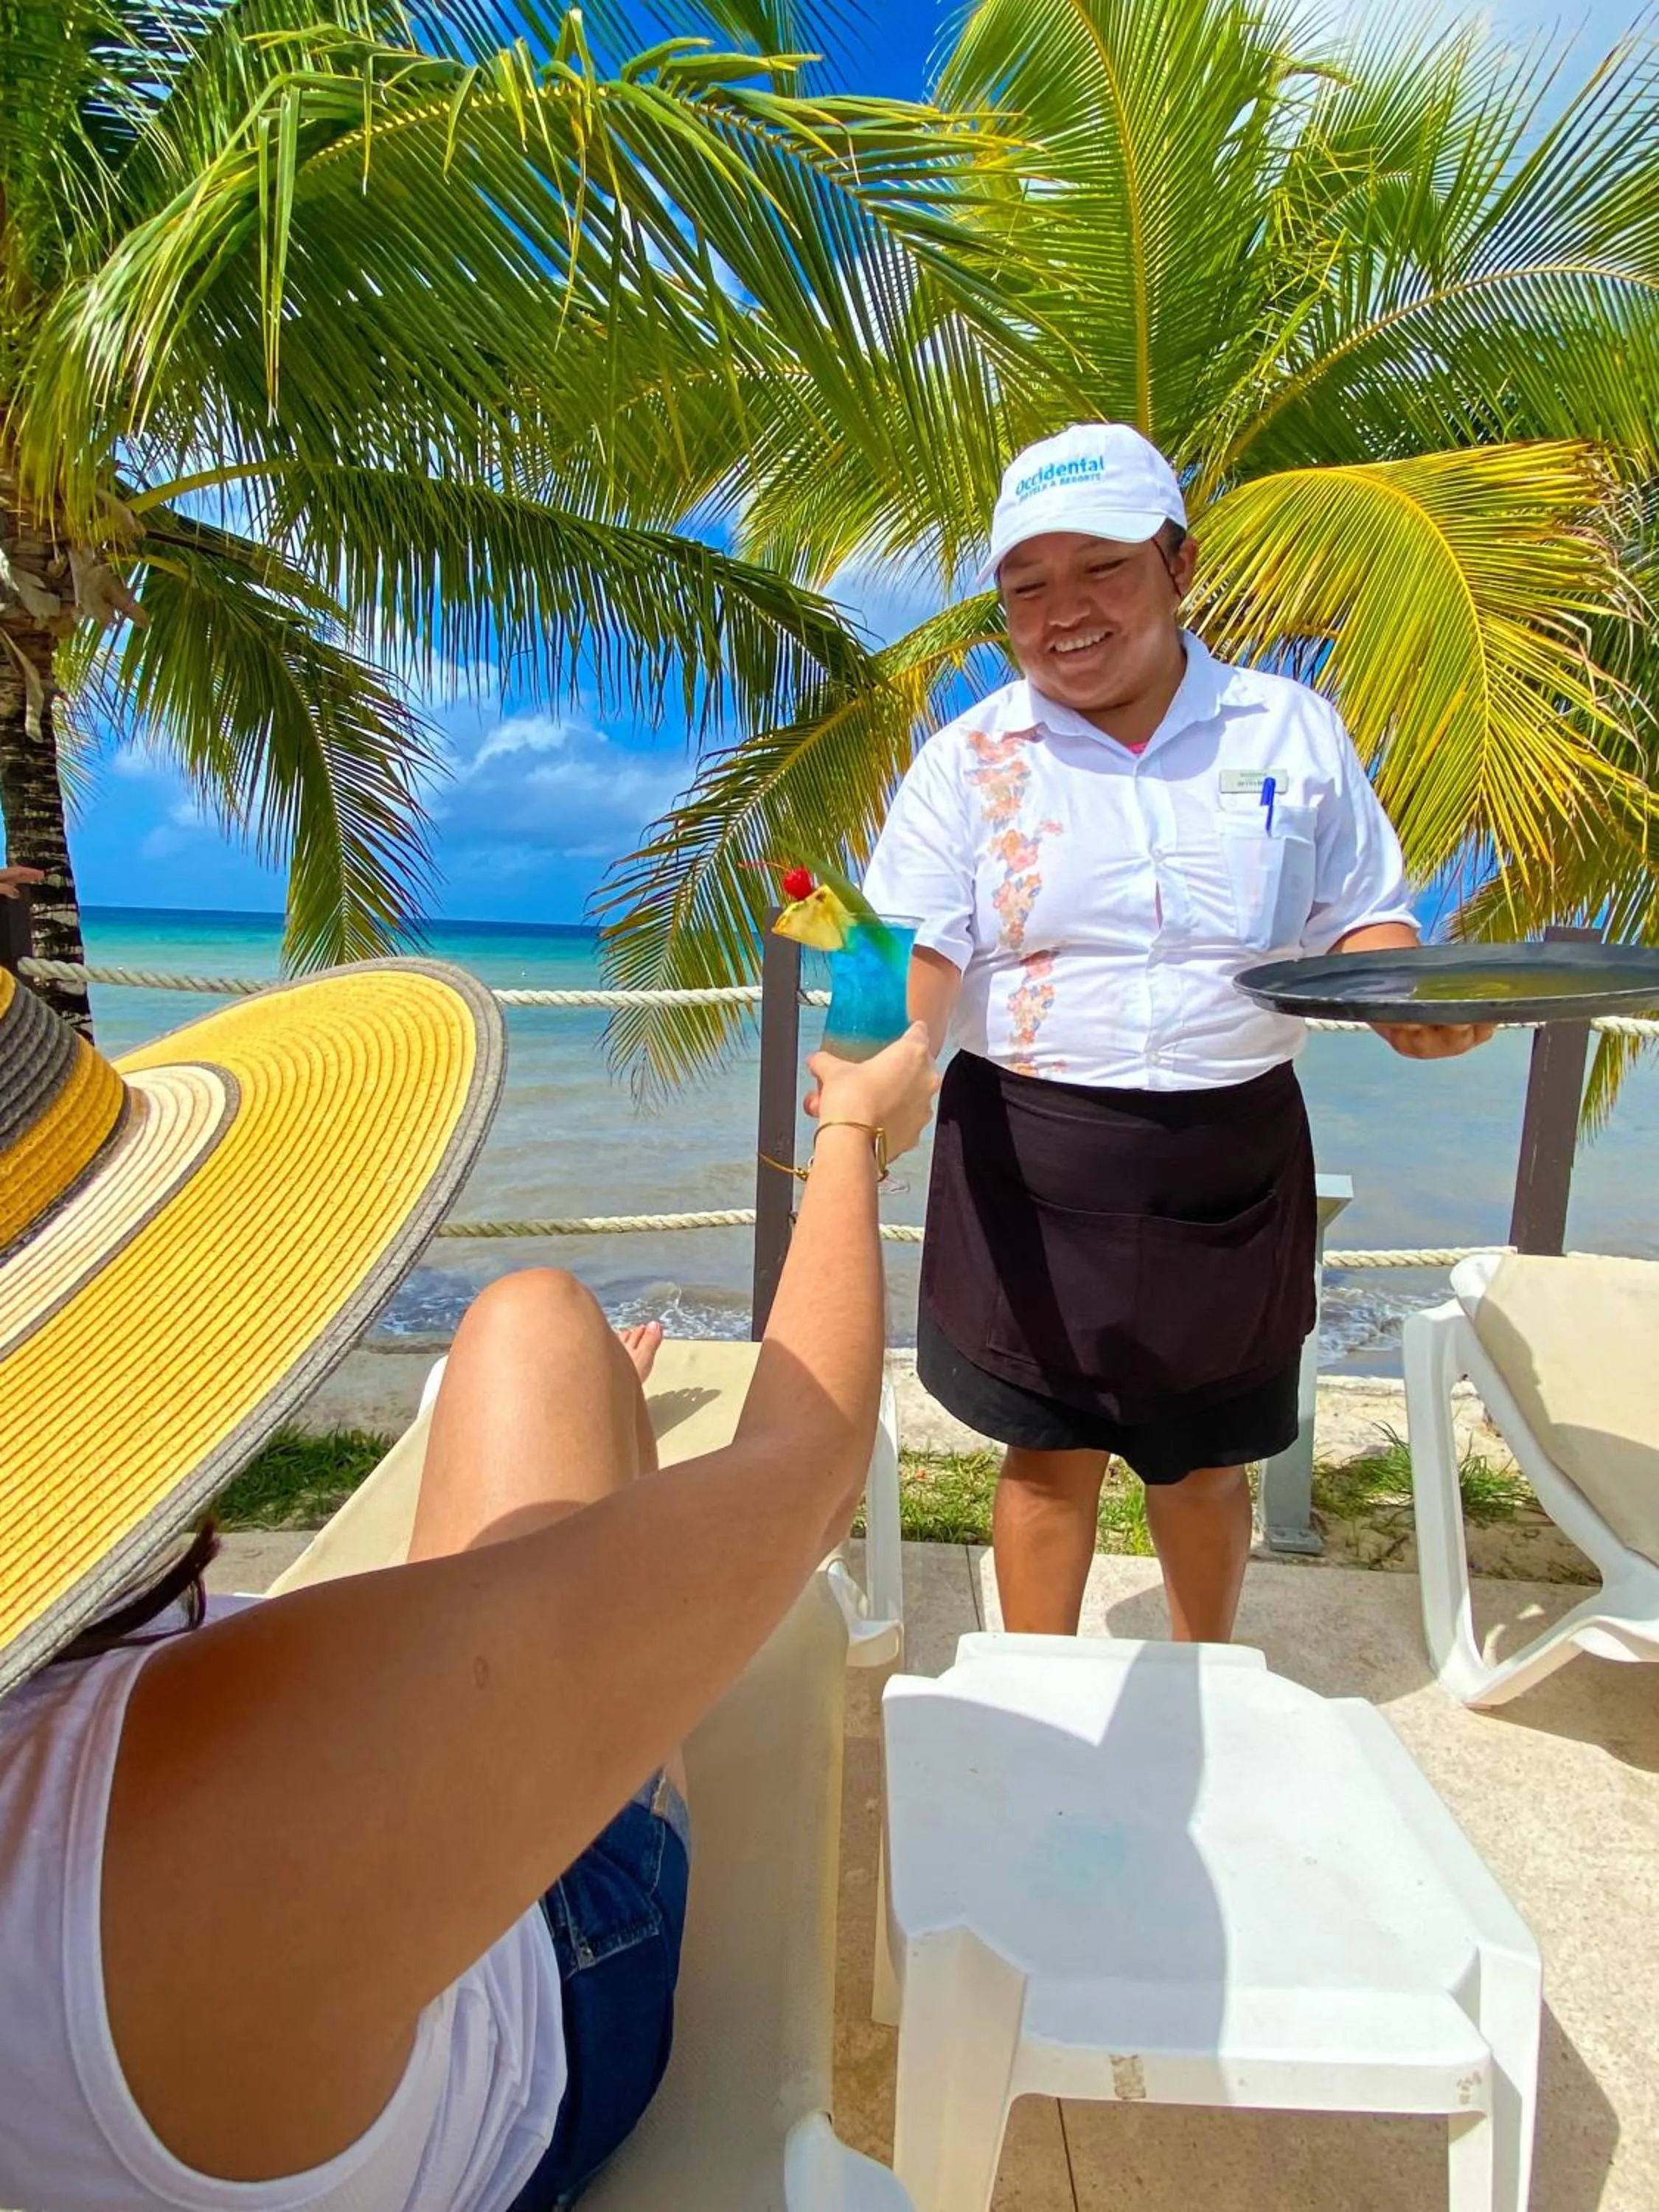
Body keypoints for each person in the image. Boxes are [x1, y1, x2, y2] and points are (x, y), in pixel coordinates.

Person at [0, 955, 937, 2211]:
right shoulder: (194, 1794)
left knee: (533, 1329)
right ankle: (629, 1549)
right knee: (540, 1325)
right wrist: (854, 1134)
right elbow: (809, 1469)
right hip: (529, 2025)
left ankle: (612, 1491)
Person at [863, 421, 1492, 1646]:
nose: (1065, 611)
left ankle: (1209, 1673)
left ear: (1177, 565)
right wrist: (878, 1065)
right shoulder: (967, 759)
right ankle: (1036, 1694)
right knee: (1044, 1459)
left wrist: (1408, 1004)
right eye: (1026, 585)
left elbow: (1360, 914)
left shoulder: (1287, 730)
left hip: (1233, 1151)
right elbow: (898, 946)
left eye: (1100, 567)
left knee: (1206, 1461)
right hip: (1027, 1145)